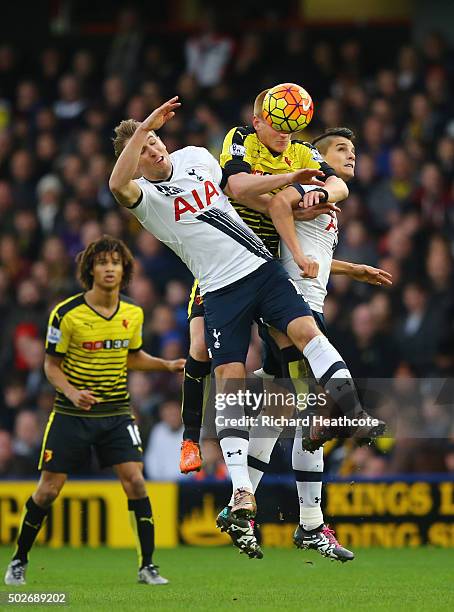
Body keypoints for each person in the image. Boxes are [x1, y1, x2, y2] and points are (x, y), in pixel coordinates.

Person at [108, 97, 384, 559]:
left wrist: (292, 190)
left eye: (155, 140)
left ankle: (344, 408)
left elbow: (240, 190)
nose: (154, 150)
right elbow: (116, 182)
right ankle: (238, 488)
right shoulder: (142, 197)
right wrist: (142, 128)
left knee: (303, 344)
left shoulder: (195, 157)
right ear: (134, 160)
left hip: (262, 266)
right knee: (230, 378)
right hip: (219, 289)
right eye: (144, 148)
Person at [179, 87, 348, 475]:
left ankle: (309, 416)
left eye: (290, 129)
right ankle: (190, 437)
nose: (283, 134)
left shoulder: (304, 151)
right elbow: (235, 187)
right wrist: (287, 192)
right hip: (222, 262)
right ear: (258, 121)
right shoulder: (240, 140)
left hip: (266, 267)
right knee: (201, 345)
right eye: (275, 126)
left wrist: (309, 191)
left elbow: (339, 185)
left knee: (290, 343)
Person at [4, 236, 185, 587]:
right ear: (90, 268)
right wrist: (72, 393)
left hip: (116, 411)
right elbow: (51, 365)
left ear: (124, 270)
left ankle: (147, 566)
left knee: (135, 481)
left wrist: (166, 365)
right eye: (102, 262)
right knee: (48, 490)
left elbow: (132, 356)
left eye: (115, 263)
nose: (109, 268)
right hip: (72, 414)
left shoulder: (133, 312)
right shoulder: (66, 313)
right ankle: (19, 560)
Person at [248, 127, 392, 562]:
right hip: (292, 309)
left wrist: (350, 269)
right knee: (311, 417)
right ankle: (308, 522)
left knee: (278, 414)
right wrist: (308, 193)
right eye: (343, 148)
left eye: (355, 149)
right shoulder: (311, 185)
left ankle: (244, 504)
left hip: (301, 305)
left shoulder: (322, 194)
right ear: (318, 155)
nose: (352, 155)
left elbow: (309, 250)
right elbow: (281, 209)